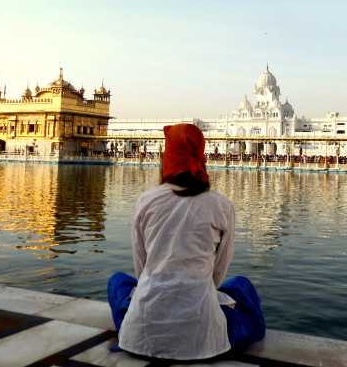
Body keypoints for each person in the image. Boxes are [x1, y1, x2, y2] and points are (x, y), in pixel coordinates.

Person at [108, 123, 265, 361]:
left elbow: (142, 268)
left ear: (167, 159)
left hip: (142, 335)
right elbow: (219, 270)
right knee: (241, 285)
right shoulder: (221, 205)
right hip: (203, 339)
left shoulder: (147, 200)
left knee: (118, 282)